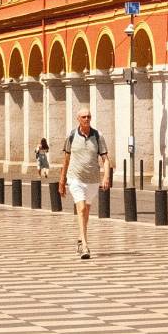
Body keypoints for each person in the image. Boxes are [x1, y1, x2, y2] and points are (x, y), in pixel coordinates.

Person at [58, 111, 111, 260]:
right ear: (78, 119)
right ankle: (85, 245)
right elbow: (66, 159)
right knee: (81, 209)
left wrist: (106, 176)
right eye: (84, 117)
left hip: (92, 180)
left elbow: (105, 159)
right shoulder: (71, 135)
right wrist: (62, 181)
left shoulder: (98, 136)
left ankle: (80, 238)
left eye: (89, 117)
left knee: (86, 211)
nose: (87, 119)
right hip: (75, 178)